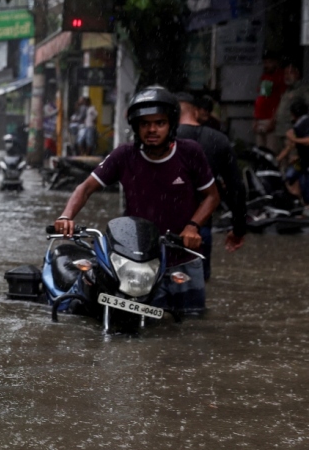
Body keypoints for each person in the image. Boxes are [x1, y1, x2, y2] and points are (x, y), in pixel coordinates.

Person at [53, 86, 220, 315]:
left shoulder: (190, 152)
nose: (152, 129)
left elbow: (212, 196)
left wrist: (193, 227)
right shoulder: (124, 155)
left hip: (183, 258)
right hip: (138, 263)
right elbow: (85, 188)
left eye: (159, 123)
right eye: (145, 124)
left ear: (171, 124)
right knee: (135, 325)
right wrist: (66, 216)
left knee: (192, 328)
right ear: (136, 127)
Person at [175, 92, 247, 281]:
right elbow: (236, 187)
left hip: (162, 228)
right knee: (197, 291)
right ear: (196, 112)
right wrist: (238, 228)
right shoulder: (219, 140)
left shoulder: (160, 140)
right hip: (201, 228)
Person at [277, 99, 309, 212]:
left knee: (305, 182)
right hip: (302, 161)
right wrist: (276, 160)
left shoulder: (304, 123)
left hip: (306, 163)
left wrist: (293, 138)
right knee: (289, 175)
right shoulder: (298, 125)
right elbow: (290, 146)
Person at [274, 61, 309, 162]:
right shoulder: (287, 90)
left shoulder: (303, 89)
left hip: (293, 131)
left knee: (293, 159)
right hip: (281, 130)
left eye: (290, 73)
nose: (287, 76)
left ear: (297, 73)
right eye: (285, 73)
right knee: (280, 160)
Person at [253, 52, 287, 153]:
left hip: (270, 119)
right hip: (260, 119)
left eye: (269, 62)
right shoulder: (264, 76)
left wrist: (273, 120)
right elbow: (260, 97)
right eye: (265, 62)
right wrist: (255, 119)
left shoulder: (281, 77)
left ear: (276, 63)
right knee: (260, 151)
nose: (266, 65)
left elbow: (282, 101)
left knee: (271, 152)